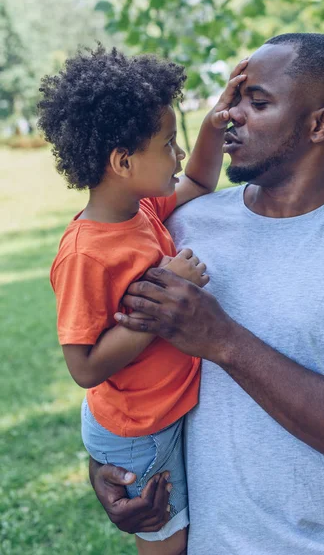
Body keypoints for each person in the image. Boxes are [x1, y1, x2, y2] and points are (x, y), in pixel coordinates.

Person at [90, 33, 324, 555]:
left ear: (320, 124)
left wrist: (224, 340)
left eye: (257, 103)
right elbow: (121, 366)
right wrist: (110, 465)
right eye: (234, 98)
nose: (231, 115)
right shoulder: (184, 225)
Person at [38, 45, 247, 555]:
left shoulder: (141, 207)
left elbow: (198, 179)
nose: (177, 154)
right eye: (169, 143)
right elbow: (84, 366)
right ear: (123, 161)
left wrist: (215, 123)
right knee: (167, 545)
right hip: (137, 431)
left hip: (157, 414)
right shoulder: (88, 254)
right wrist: (165, 294)